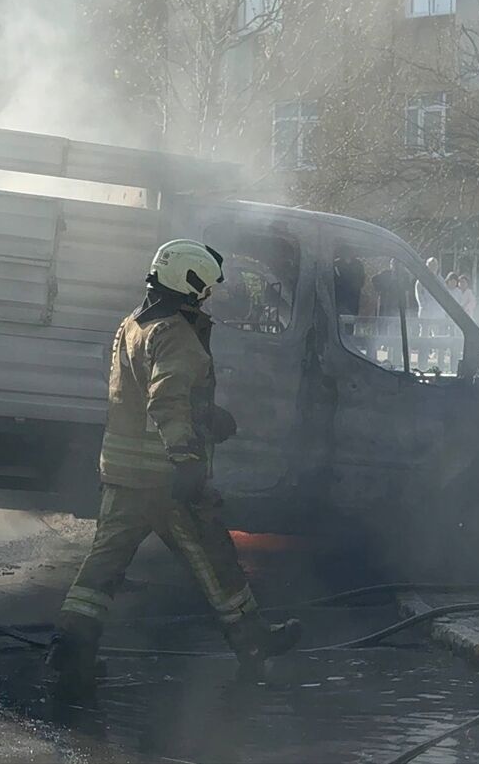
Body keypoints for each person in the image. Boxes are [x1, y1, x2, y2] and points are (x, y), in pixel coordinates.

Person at [47, 240, 301, 694]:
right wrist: (185, 457)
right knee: (213, 555)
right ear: (190, 282)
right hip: (165, 477)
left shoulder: (134, 324)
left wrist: (206, 416)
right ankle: (253, 640)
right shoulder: (176, 333)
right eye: (206, 288)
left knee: (104, 562)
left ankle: (71, 645)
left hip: (123, 473)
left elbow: (142, 392)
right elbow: (165, 397)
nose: (209, 297)